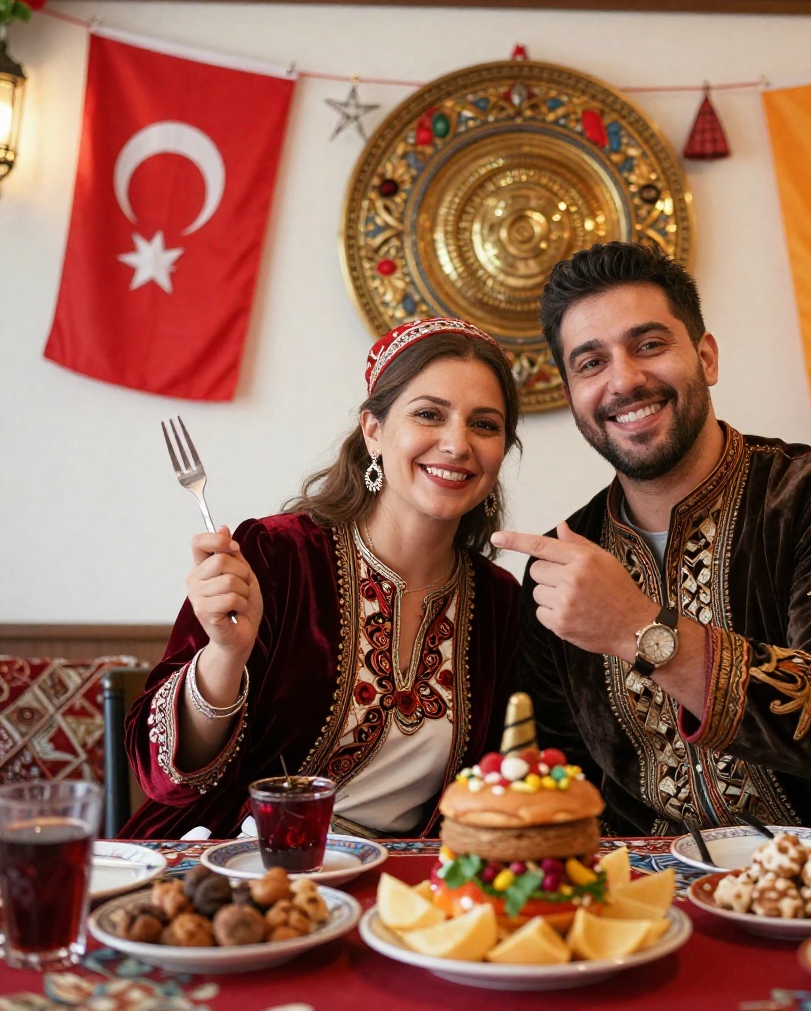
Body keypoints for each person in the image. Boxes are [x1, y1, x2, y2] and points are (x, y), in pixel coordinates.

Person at [494, 241, 811, 836]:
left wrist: (637, 629)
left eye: (649, 345)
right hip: (657, 898)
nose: (625, 379)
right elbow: (562, 778)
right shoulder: (563, 563)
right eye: (591, 363)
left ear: (706, 357)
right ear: (571, 395)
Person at [121, 318, 522, 840]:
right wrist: (224, 655)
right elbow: (160, 776)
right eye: (429, 414)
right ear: (373, 430)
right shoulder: (278, 555)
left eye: (485, 425)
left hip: (393, 891)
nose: (456, 443)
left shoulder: (499, 602)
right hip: (227, 866)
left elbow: (489, 792)